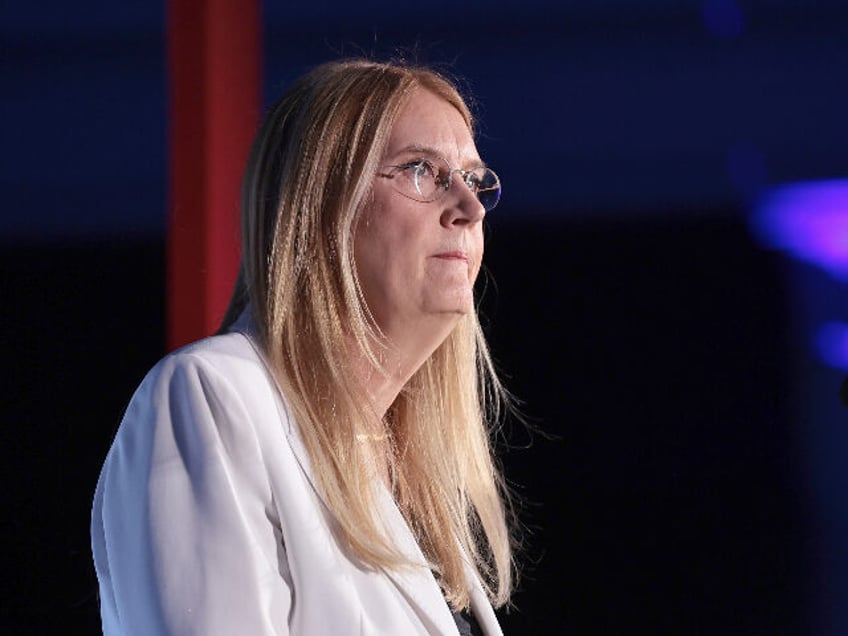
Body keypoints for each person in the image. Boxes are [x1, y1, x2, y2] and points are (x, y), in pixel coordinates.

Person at [91, 58, 517, 635]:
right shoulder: (211, 398)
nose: (468, 210)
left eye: (472, 179)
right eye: (421, 170)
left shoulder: (411, 482)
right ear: (320, 205)